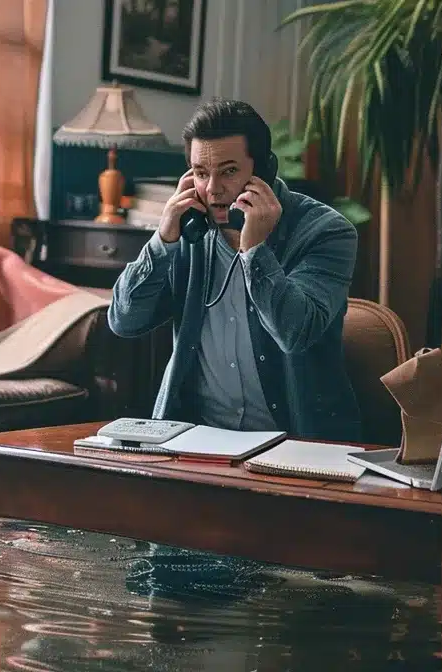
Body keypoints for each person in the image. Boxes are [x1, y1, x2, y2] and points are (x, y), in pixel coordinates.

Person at [108, 99, 361, 442]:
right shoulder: (187, 231)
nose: (212, 189)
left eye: (228, 171)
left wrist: (256, 250)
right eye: (200, 173)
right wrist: (162, 240)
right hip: (195, 439)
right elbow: (125, 320)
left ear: (264, 171)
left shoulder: (326, 232)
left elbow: (295, 332)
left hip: (294, 444)